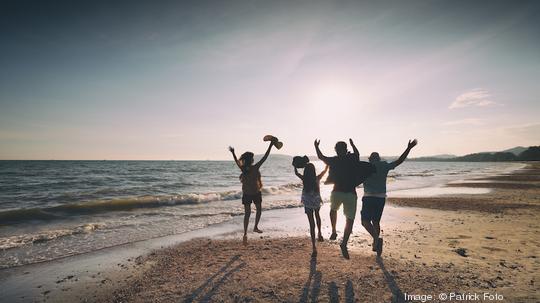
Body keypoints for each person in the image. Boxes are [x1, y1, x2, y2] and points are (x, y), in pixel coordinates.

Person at [362, 139, 418, 256]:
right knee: (376, 221)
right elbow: (400, 160)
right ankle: (376, 245)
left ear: (370, 159)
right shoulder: (385, 166)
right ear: (379, 159)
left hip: (368, 197)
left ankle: (376, 239)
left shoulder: (366, 167)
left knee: (365, 221)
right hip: (381, 198)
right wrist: (409, 148)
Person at [314, 138, 359, 259]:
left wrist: (316, 146)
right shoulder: (351, 158)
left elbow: (321, 157)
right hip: (350, 193)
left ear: (336, 150)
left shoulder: (334, 160)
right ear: (346, 149)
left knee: (333, 210)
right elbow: (357, 155)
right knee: (350, 219)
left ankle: (334, 230)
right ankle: (344, 243)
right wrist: (353, 145)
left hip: (337, 191)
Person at [229, 141, 274, 245]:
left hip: (247, 194)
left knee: (247, 214)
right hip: (255, 193)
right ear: (251, 160)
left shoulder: (243, 169)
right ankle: (255, 227)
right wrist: (271, 145)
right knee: (259, 210)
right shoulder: (255, 167)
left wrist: (233, 153)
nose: (254, 159)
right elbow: (265, 157)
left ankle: (245, 234)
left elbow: (237, 161)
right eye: (253, 158)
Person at [294, 163, 329, 257]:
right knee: (317, 215)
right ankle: (320, 233)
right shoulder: (317, 178)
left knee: (311, 223)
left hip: (307, 201)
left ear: (306, 171)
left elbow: (296, 173)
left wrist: (295, 166)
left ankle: (314, 247)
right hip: (316, 200)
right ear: (313, 171)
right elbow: (324, 172)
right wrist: (327, 165)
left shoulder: (304, 179)